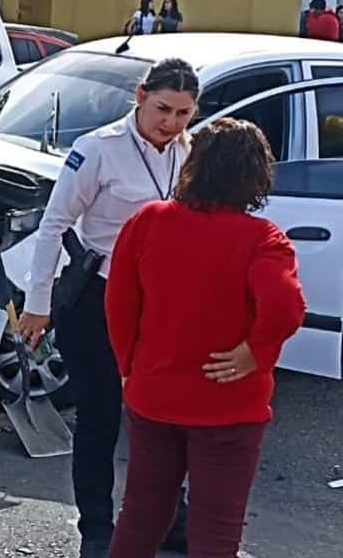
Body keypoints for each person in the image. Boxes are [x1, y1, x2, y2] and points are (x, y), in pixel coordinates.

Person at [17, 58, 201, 557]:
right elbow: (53, 226)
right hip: (97, 296)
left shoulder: (190, 153)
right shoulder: (97, 150)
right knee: (101, 418)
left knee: (165, 417)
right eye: (163, 108)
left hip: (160, 304)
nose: (172, 123)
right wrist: (38, 304)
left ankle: (170, 516)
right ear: (141, 96)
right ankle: (96, 527)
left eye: (184, 113)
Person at [106, 118, 306, 558]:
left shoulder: (148, 220)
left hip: (155, 393)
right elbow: (287, 307)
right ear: (255, 174)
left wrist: (128, 369)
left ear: (194, 164)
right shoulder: (262, 239)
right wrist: (255, 352)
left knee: (141, 515)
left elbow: (120, 305)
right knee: (216, 528)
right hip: (229, 403)